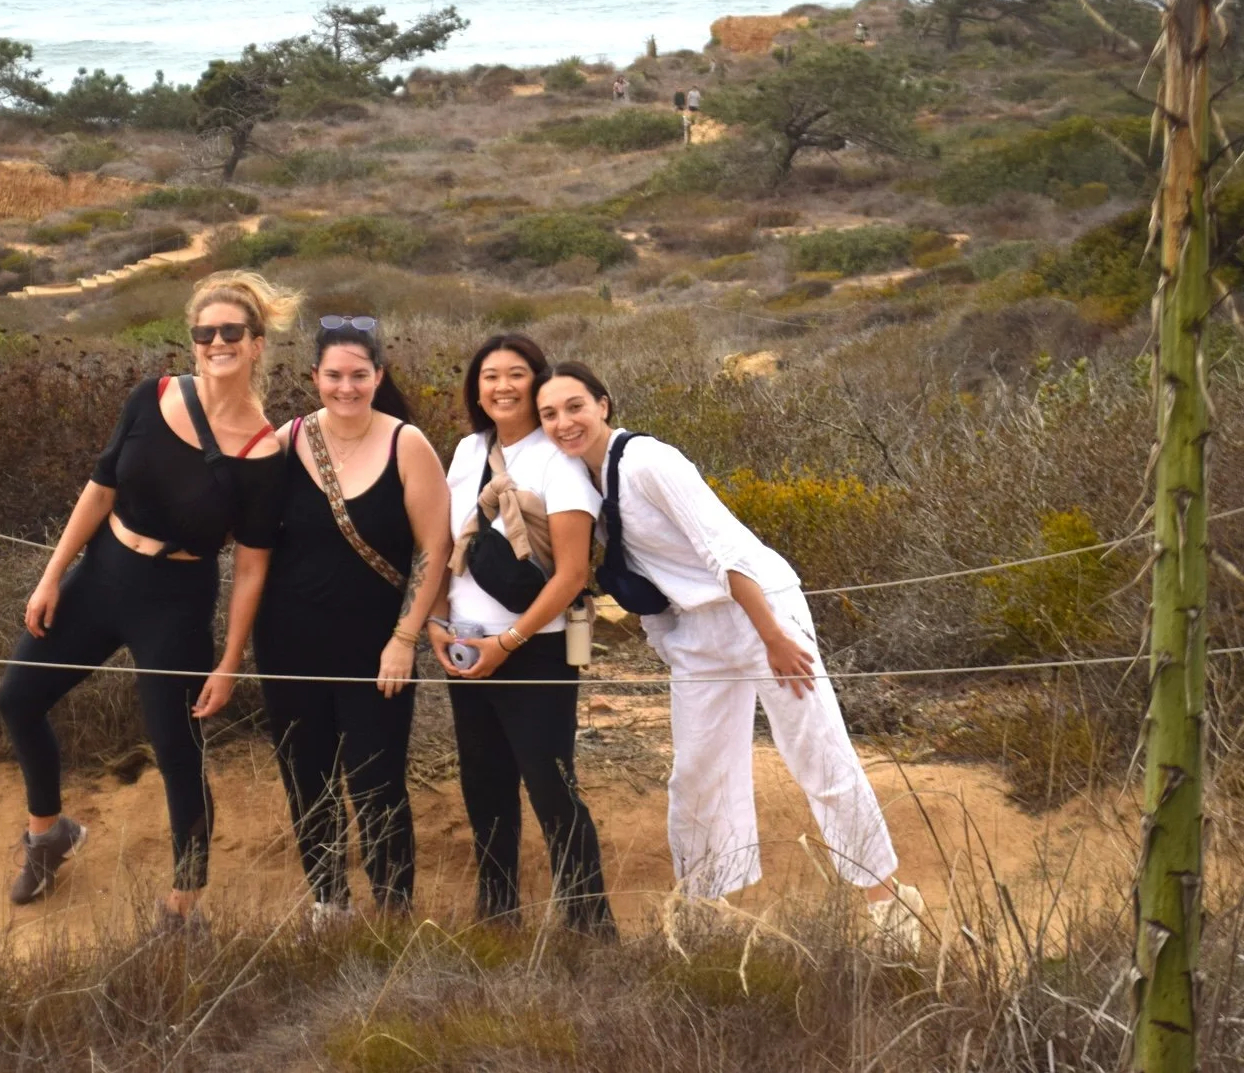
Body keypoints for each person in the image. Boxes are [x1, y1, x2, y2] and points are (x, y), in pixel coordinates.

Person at [535, 363, 925, 955]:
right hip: (697, 632)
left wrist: (772, 635)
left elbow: (724, 547)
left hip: (758, 612)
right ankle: (703, 909)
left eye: (574, 407)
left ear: (603, 405)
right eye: (550, 414)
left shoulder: (648, 461)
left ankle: (889, 901)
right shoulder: (583, 482)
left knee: (817, 752)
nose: (564, 422)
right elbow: (642, 575)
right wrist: (668, 643)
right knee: (697, 770)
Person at [0, 269, 299, 923]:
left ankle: (184, 903)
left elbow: (251, 566)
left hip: (175, 601)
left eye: (231, 331)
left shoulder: (262, 452)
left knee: (176, 750)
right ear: (193, 342)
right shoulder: (151, 396)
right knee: (18, 696)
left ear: (256, 343)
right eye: (204, 332)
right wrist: (51, 576)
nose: (217, 342)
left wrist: (230, 660)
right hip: (101, 575)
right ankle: (48, 834)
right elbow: (99, 489)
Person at [254, 315, 451, 922]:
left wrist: (404, 638)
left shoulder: (406, 444)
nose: (347, 387)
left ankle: (392, 910)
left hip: (376, 648)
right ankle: (329, 905)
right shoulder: (287, 441)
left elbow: (434, 548)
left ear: (378, 376)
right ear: (314, 376)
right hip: (288, 643)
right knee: (306, 780)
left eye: (359, 375)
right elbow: (245, 528)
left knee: (377, 781)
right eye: (334, 375)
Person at [430, 334, 615, 937]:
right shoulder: (467, 450)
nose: (502, 386)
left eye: (516, 374)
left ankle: (590, 929)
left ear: (538, 382)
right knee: (484, 791)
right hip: (465, 642)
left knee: (551, 788)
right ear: (475, 387)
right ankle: (498, 919)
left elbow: (572, 574)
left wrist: (507, 643)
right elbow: (445, 546)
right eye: (489, 376)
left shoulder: (557, 458)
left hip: (535, 651)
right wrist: (435, 622)